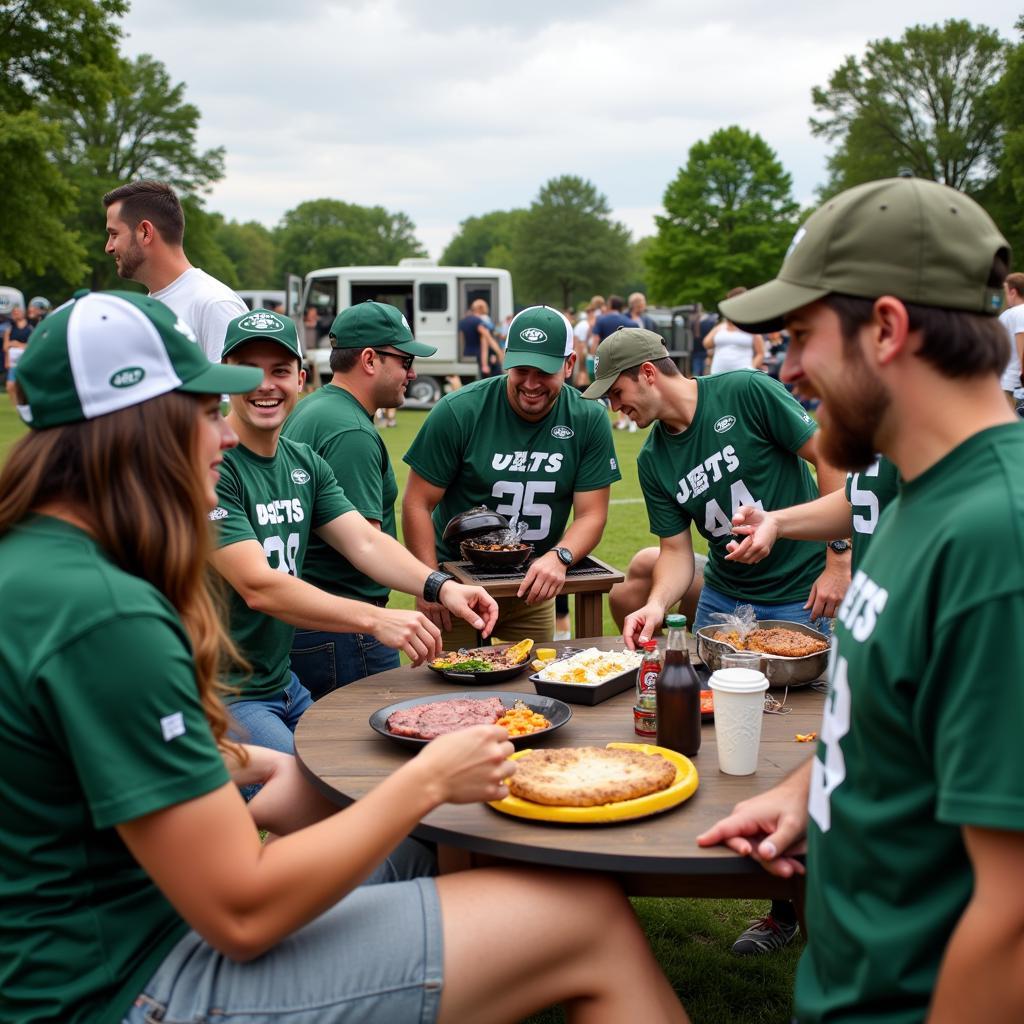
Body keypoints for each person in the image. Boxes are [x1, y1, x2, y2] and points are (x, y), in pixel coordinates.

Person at [0, 289, 689, 1024]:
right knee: (583, 917)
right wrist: (425, 781)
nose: (223, 436)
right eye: (204, 411)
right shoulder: (105, 615)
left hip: (131, 942)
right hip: (133, 983)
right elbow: (243, 908)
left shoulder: (46, 570)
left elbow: (127, 776)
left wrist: (273, 766)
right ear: (133, 427)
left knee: (437, 854)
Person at [698, 176, 1024, 1022]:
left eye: (803, 335)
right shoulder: (916, 493)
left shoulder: (1000, 541)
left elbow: (1014, 920)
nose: (791, 368)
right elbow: (903, 719)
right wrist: (808, 788)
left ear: (886, 328)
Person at [209, 308, 497, 759]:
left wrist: (440, 587)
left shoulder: (302, 461)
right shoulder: (209, 465)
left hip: (282, 682)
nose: (265, 384)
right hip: (220, 693)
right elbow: (257, 586)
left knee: (360, 779)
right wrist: (375, 618)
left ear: (300, 378)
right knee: (317, 797)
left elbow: (364, 541)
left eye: (279, 371)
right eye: (248, 371)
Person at [403, 305, 621, 647]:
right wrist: (429, 583)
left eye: (544, 371)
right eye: (521, 369)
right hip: (457, 583)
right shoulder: (460, 410)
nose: (531, 384)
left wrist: (559, 556)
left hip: (531, 586)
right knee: (454, 688)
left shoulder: (587, 418)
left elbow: (592, 514)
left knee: (534, 686)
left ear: (569, 364)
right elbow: (417, 502)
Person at [282, 301, 439, 695]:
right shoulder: (350, 430)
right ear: (369, 359)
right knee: (363, 751)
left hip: (313, 620)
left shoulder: (316, 407)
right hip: (346, 630)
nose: (412, 372)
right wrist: (436, 585)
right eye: (404, 360)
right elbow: (365, 547)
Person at [103, 179, 246, 360]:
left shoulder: (214, 304)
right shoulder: (152, 305)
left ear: (145, 232)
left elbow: (234, 387)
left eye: (114, 234)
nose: (108, 247)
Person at [703, 288, 765, 374]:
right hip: (718, 374)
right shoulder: (721, 326)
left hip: (742, 376)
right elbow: (706, 343)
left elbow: (760, 353)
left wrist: (751, 368)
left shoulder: (751, 326)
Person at [999, 271, 1024, 416]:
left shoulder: (1016, 313)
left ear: (1013, 291)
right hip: (1013, 385)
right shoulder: (1017, 313)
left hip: (1010, 385)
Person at [3, 304, 32, 405]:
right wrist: (7, 360)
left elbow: (32, 345)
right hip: (13, 362)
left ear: (22, 313)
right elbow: (5, 347)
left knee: (23, 385)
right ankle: (16, 406)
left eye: (17, 312)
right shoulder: (10, 329)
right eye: (14, 313)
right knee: (10, 386)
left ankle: (25, 403)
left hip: (25, 360)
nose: (16, 314)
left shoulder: (29, 328)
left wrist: (18, 344)